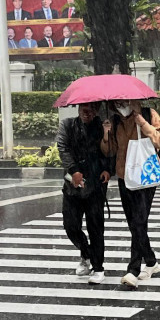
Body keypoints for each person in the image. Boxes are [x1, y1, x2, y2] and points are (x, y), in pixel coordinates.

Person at [100, 99, 160, 289]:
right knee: (134, 223)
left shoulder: (149, 114)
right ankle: (151, 260)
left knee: (139, 221)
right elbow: (110, 151)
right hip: (125, 177)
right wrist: (106, 135)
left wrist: (144, 124)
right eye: (117, 103)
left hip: (145, 176)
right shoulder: (115, 122)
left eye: (125, 101)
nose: (121, 105)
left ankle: (133, 270)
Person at [57, 102, 112, 284]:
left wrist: (107, 169)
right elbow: (62, 147)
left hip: (96, 183)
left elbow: (110, 151)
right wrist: (74, 170)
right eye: (84, 109)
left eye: (92, 109)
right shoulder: (67, 125)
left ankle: (98, 267)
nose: (87, 113)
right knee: (70, 225)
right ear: (79, 108)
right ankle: (86, 254)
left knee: (95, 227)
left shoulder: (102, 126)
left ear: (97, 111)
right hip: (73, 183)